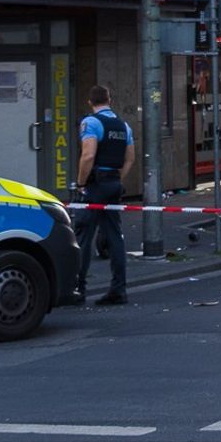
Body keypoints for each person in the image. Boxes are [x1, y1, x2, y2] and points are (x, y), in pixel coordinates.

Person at [74, 85, 134, 306]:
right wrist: (118, 178)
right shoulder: (124, 126)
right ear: (110, 99)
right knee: (115, 236)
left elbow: (88, 155)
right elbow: (130, 159)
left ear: (91, 102)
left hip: (95, 185)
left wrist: (81, 183)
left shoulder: (91, 123)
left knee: (83, 235)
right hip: (113, 184)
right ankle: (119, 289)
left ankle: (78, 289)